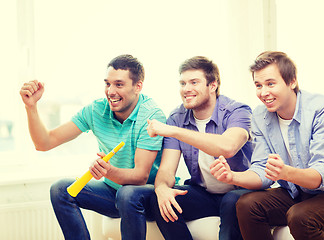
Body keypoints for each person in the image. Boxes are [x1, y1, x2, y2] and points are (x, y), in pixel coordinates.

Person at [210, 51, 324, 240]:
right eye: (258, 85)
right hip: (297, 192)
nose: (263, 93)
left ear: (292, 82)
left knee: (300, 216)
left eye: (271, 84)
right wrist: (232, 176)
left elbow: (321, 175)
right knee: (246, 204)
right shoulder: (260, 116)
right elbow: (261, 170)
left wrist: (285, 173)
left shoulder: (323, 110)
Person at [19, 54, 166, 240]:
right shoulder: (97, 109)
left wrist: (108, 171)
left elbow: (140, 176)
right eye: (107, 84)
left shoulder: (151, 116)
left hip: (146, 197)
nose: (110, 91)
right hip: (114, 193)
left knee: (128, 193)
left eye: (119, 84)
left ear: (138, 87)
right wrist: (30, 107)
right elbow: (44, 143)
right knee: (61, 190)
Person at [146, 56, 253, 240]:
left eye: (194, 82)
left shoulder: (237, 110)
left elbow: (228, 147)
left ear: (213, 85)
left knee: (231, 201)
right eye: (182, 83)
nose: (186, 89)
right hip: (205, 193)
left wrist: (174, 131)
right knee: (162, 201)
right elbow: (166, 170)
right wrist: (162, 188)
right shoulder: (177, 117)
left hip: (242, 191)